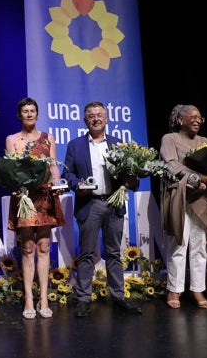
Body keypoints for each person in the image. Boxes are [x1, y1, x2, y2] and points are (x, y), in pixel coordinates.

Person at [62, 101, 142, 317]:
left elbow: (132, 176)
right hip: (90, 204)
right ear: (85, 121)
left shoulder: (119, 145)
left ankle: (118, 297)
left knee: (114, 253)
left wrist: (131, 179)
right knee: (87, 254)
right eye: (91, 116)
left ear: (106, 119)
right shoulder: (75, 145)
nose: (96, 118)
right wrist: (76, 184)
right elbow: (67, 174)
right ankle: (83, 299)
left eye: (99, 115)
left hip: (114, 203)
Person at [5, 97, 65, 319]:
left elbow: (53, 167)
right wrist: (17, 186)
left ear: (37, 114)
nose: (29, 114)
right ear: (19, 115)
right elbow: (11, 170)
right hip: (25, 198)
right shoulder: (12, 139)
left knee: (44, 246)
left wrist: (58, 183)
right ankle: (29, 298)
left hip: (45, 196)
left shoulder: (48, 138)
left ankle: (44, 298)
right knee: (28, 247)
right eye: (25, 111)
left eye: (32, 111)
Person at [159, 104, 207, 309]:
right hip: (180, 197)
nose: (197, 120)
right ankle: (174, 289)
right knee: (178, 244)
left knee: (199, 247)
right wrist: (200, 177)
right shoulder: (170, 139)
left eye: (200, 118)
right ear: (180, 120)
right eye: (192, 117)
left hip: (201, 198)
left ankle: (197, 289)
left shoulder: (205, 142)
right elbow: (171, 165)